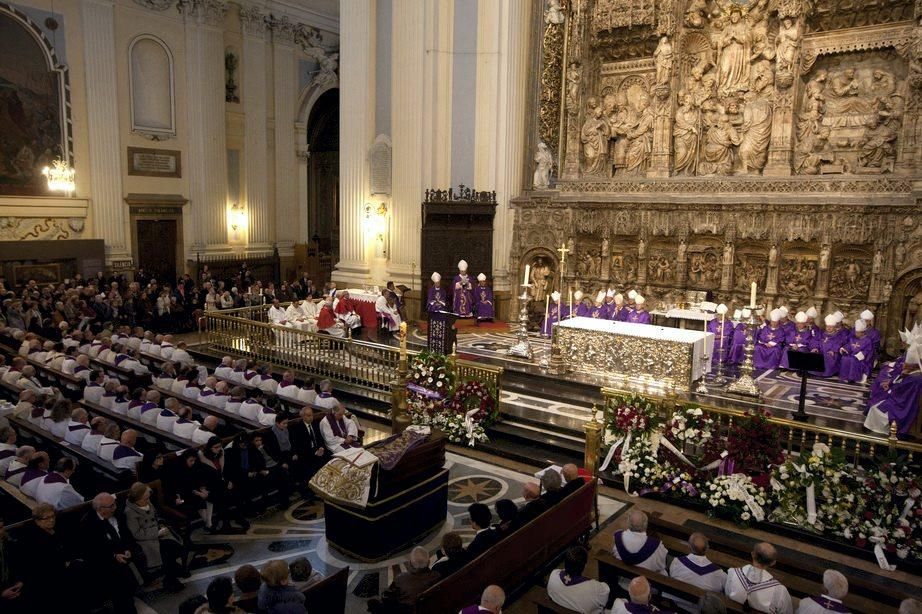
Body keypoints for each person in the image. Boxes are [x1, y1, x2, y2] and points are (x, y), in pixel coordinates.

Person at [80, 493, 140, 613]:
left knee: (125, 575)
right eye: (111, 506)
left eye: (115, 504)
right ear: (100, 509)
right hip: (102, 560)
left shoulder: (118, 515)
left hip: (121, 554)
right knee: (119, 578)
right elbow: (92, 550)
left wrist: (127, 549)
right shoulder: (88, 523)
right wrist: (114, 556)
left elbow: (126, 536)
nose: (115, 507)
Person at [124, 482, 187, 593]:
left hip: (159, 533)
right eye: (145, 499)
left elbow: (156, 517)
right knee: (167, 552)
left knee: (176, 547)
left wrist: (161, 526)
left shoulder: (148, 503)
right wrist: (156, 532)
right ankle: (170, 580)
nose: (148, 501)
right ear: (137, 499)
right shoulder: (130, 512)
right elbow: (137, 533)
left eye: (148, 498)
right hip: (147, 541)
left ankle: (173, 571)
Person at [15, 504, 71, 610]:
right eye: (47, 518)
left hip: (60, 574)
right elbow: (41, 563)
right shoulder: (32, 538)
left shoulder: (55, 530)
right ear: (37, 520)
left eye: (53, 516)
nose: (51, 520)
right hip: (45, 582)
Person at [864, 348, 922, 436]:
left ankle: (878, 429)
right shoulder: (912, 373)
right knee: (879, 396)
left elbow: (901, 391)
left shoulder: (915, 378)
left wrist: (891, 389)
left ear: (913, 366)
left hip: (902, 404)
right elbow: (901, 385)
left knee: (875, 407)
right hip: (900, 398)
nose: (904, 365)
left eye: (906, 364)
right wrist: (894, 382)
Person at [725, 542, 793, 614]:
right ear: (773, 563)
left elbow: (727, 596)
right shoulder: (780, 591)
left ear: (752, 554)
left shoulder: (733, 574)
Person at [668, 533, 728, 611]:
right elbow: (726, 591)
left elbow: (671, 576)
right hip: (702, 610)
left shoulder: (676, 562)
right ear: (707, 549)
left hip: (678, 603)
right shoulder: (719, 573)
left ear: (689, 547)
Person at [374, 547, 441, 613]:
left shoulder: (400, 579)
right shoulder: (437, 576)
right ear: (429, 562)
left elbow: (387, 597)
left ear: (410, 564)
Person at [547, 546, 610, 614]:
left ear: (565, 563)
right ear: (585, 565)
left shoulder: (553, 574)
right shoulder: (595, 587)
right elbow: (605, 596)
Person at [612, 510, 668, 576]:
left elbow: (614, 554)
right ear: (646, 525)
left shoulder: (618, 537)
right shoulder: (656, 545)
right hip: (646, 582)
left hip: (622, 578)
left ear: (628, 523)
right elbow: (662, 564)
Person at [288, 406, 327, 484]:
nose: (311, 417)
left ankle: (323, 483)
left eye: (312, 415)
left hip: (317, 449)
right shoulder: (298, 428)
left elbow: (320, 438)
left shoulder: (315, 424)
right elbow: (299, 446)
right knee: (308, 467)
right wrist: (315, 452)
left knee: (328, 459)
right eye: (308, 416)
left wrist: (322, 447)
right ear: (303, 416)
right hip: (306, 453)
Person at [839, 319, 873, 384]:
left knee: (853, 360)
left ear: (863, 332)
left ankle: (852, 378)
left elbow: (868, 351)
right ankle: (845, 377)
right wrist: (843, 348)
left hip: (862, 358)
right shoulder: (853, 338)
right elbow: (849, 345)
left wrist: (859, 356)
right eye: (855, 332)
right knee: (844, 358)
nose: (856, 334)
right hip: (852, 355)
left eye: (858, 332)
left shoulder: (868, 340)